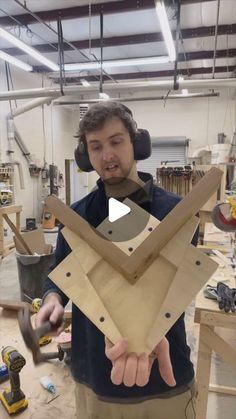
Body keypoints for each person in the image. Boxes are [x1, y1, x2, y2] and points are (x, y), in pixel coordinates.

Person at [36, 102, 198, 419]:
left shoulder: (176, 215)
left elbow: (176, 290)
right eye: (96, 147)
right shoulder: (77, 217)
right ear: (86, 156)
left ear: (136, 143)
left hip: (165, 377)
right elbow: (60, 273)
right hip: (97, 376)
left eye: (116, 141)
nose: (107, 155)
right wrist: (52, 299)